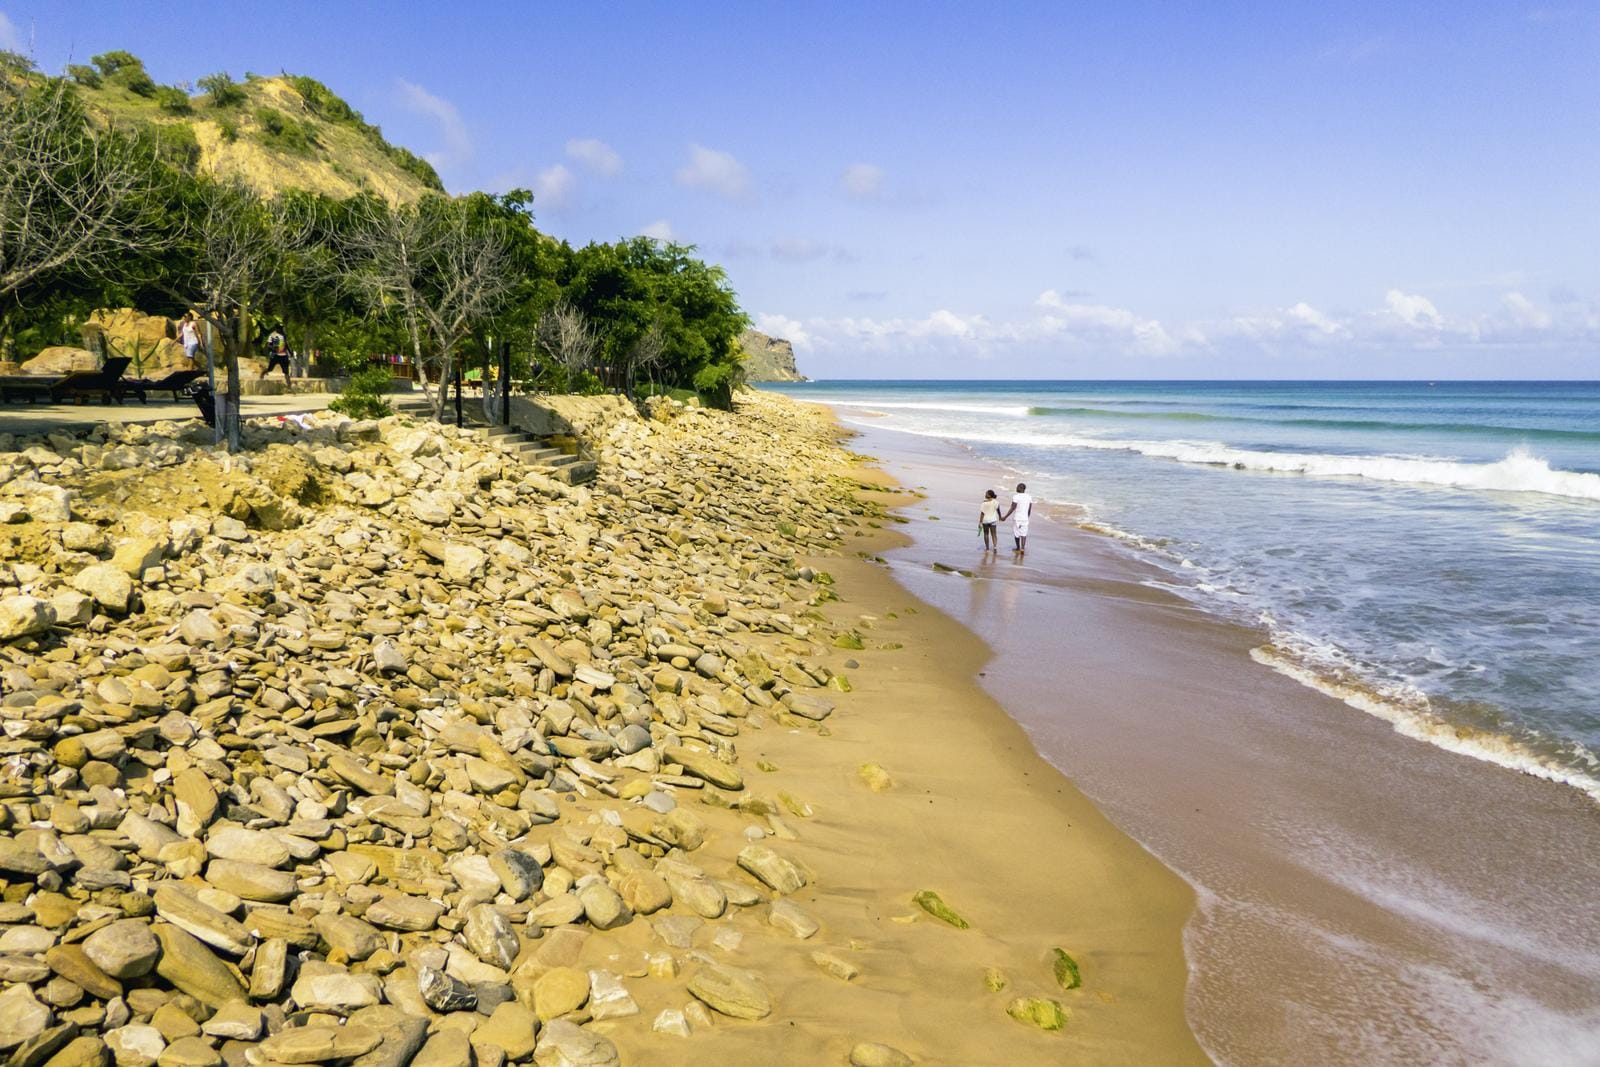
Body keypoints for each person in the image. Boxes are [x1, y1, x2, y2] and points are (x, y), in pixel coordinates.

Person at [1001, 482, 1033, 554]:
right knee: (1024, 534)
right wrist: (1027, 517)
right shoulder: (1029, 497)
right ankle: (1022, 548)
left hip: (1017, 518)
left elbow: (1012, 508)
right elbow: (1029, 509)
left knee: (1016, 534)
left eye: (1017, 487)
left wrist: (1005, 517)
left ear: (1021, 488)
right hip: (1025, 518)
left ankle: (1018, 547)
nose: (1016, 488)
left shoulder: (1016, 497)